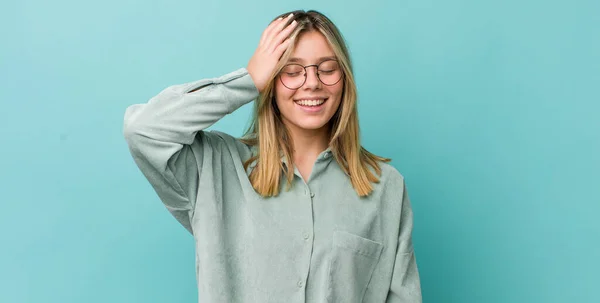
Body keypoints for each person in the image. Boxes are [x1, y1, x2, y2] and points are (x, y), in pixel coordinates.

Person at [123, 9, 422, 303]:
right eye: (291, 71)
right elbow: (144, 129)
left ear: (345, 81)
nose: (312, 82)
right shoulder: (216, 168)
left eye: (327, 68)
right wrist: (249, 79)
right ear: (272, 82)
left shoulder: (386, 188)